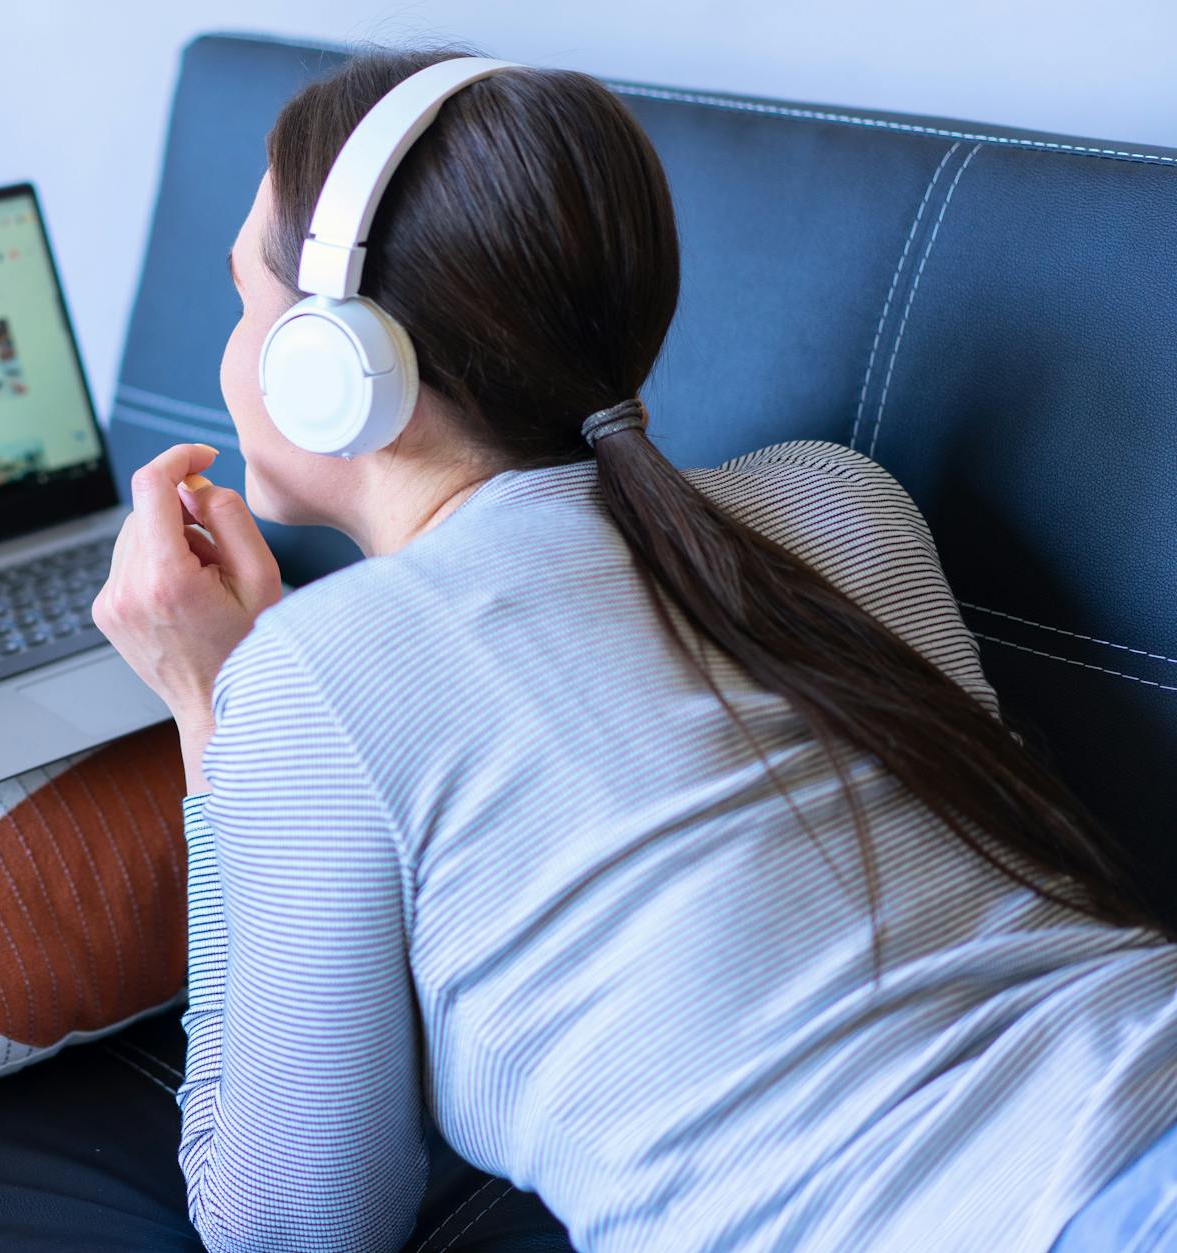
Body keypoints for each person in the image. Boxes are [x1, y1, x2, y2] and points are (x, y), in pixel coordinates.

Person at [91, 47, 1177, 1253]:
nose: (232, 343)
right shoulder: (832, 501)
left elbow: (284, 1228)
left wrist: (209, 709)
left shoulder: (314, 675)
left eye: (250, 300)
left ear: (332, 368)